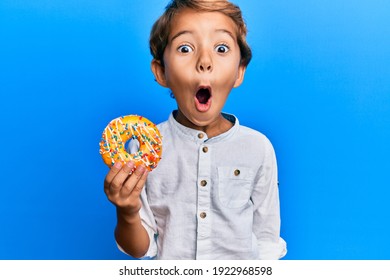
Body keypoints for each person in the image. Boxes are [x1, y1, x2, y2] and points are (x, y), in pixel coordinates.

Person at [104, 0, 287, 259]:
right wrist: (126, 210)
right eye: (185, 48)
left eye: (221, 48)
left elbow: (267, 241)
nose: (204, 61)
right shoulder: (144, 150)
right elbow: (140, 249)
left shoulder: (258, 148)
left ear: (239, 72)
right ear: (161, 72)